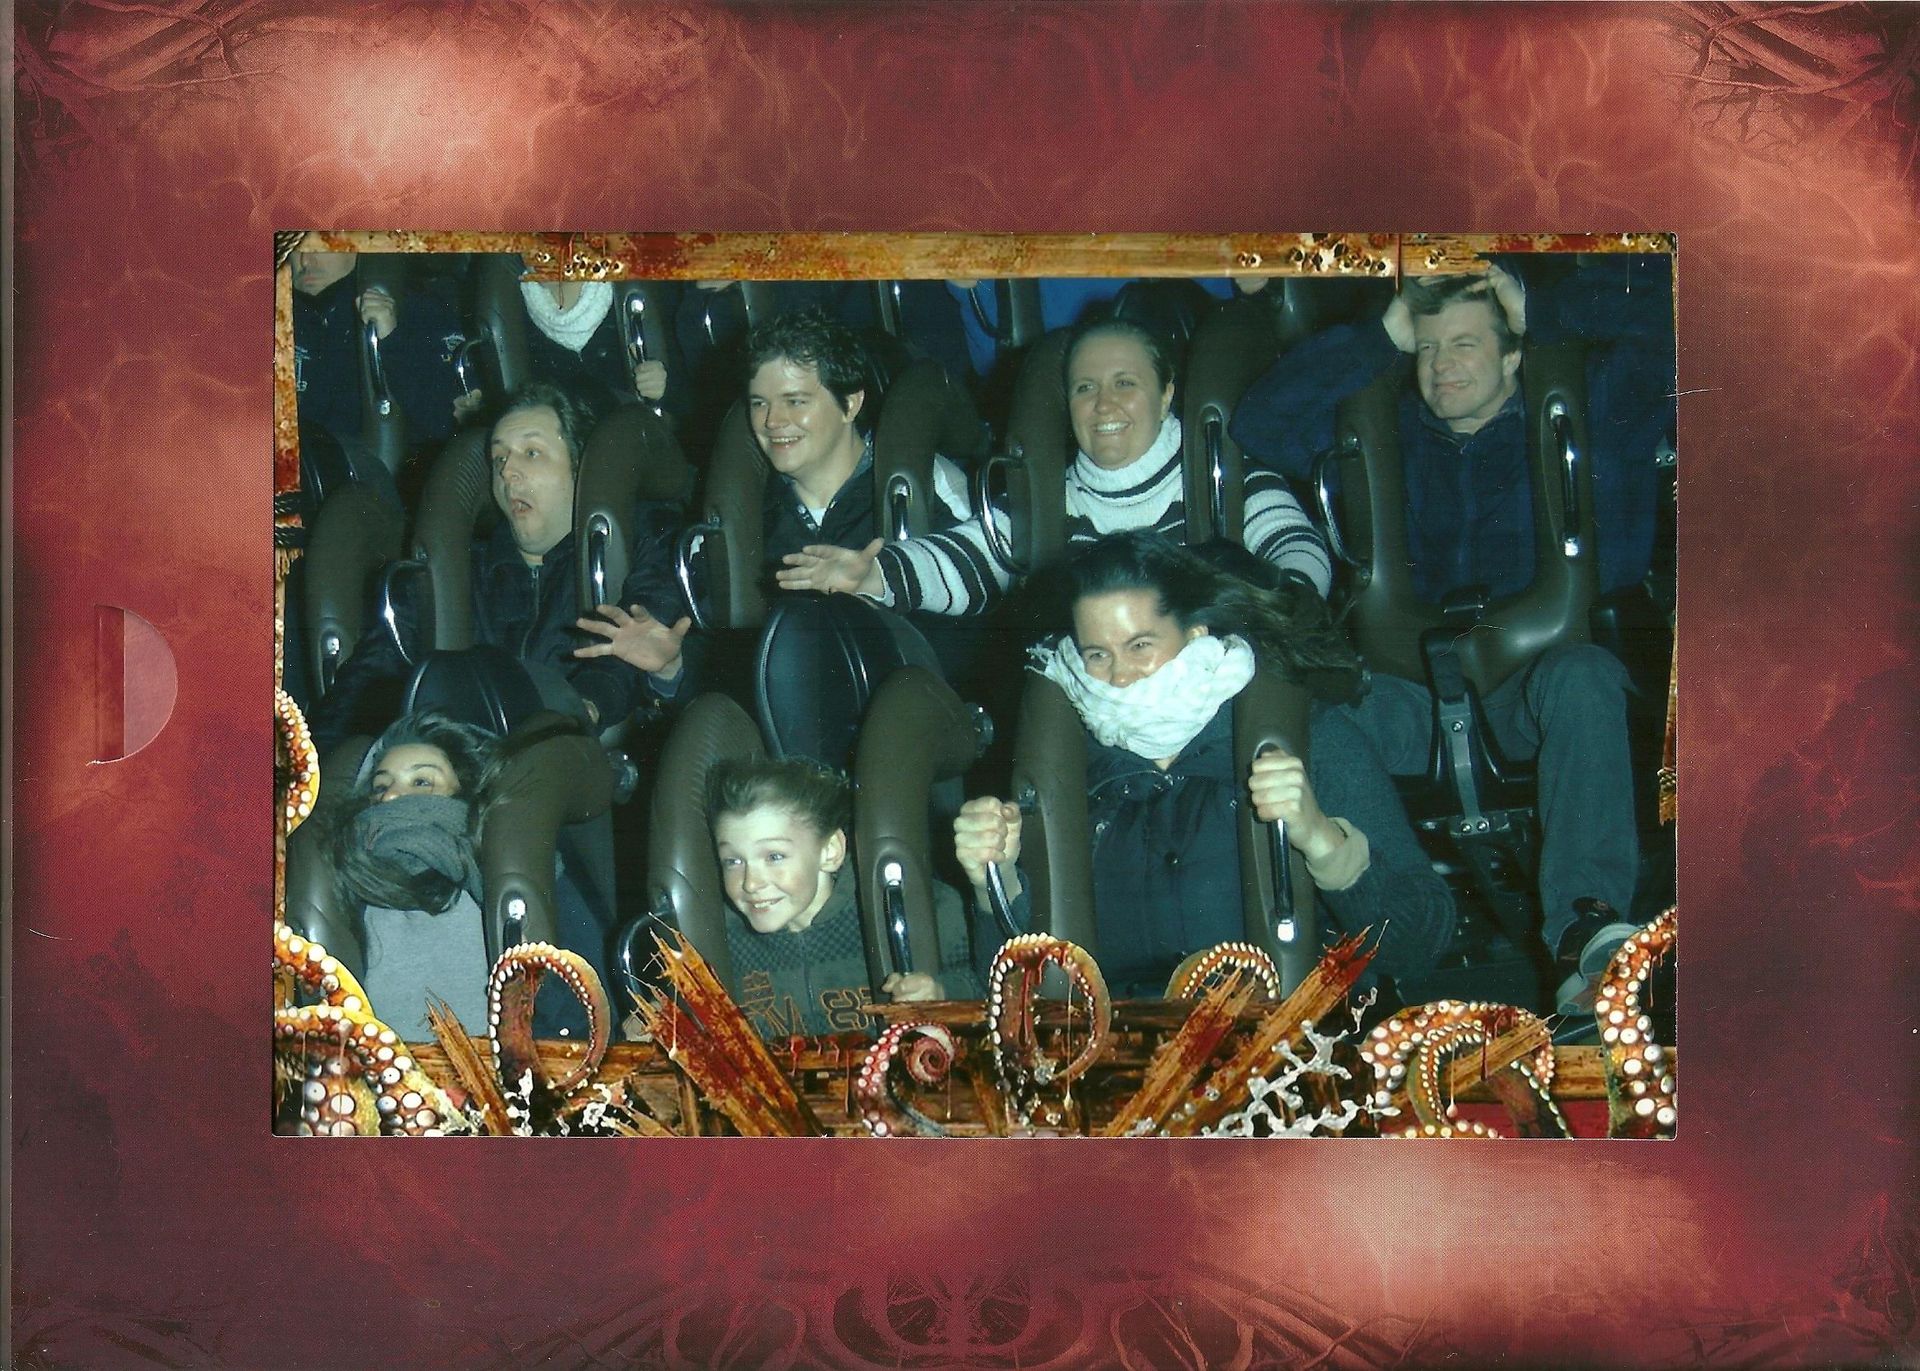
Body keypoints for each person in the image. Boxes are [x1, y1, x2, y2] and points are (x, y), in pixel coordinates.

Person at [1229, 258, 1672, 1006]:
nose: (1441, 365)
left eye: (1465, 344)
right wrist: (1382, 335)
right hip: (1416, 694)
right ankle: (1389, 920)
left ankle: (1587, 930)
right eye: (1429, 347)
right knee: (1321, 716)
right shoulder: (1392, 439)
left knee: (1584, 677)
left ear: (1512, 353)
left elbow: (1674, 323)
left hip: (1537, 687)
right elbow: (1262, 423)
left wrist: (1541, 306)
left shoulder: (1593, 417)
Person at [953, 531, 1455, 1000]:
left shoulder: (1307, 737)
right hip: (1123, 1050)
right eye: (1097, 655)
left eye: (1140, 646)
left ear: (1195, 634)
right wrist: (995, 881)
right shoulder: (1062, 771)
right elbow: (1010, 994)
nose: (1120, 677)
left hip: (1291, 1044)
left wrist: (1322, 839)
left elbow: (1421, 945)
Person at [778, 315, 1332, 614]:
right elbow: (969, 557)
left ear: (1166, 394)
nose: (1104, 405)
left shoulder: (1224, 478)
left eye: (1125, 384)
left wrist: (1273, 608)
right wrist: (876, 574)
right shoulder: (1053, 501)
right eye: (1085, 388)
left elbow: (1296, 547)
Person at [309, 381, 690, 751]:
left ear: (581, 468)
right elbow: (360, 691)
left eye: (532, 453)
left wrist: (587, 706)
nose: (508, 472)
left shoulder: (644, 542)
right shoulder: (455, 575)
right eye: (499, 458)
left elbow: (639, 650)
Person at [321, 712, 605, 1040]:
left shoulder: (515, 872)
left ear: (465, 790)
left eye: (421, 782)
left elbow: (582, 1005)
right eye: (381, 786)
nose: (391, 797)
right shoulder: (351, 888)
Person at [709, 756, 981, 1038]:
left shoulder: (914, 909)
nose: (751, 883)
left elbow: (989, 986)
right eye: (733, 861)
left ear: (830, 851)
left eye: (774, 856)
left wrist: (943, 993)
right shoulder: (724, 943)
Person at [291, 238, 466, 471]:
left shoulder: (420, 311)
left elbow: (452, 424)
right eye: (296, 248)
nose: (305, 260)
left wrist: (393, 341)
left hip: (379, 477)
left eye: (320, 245)